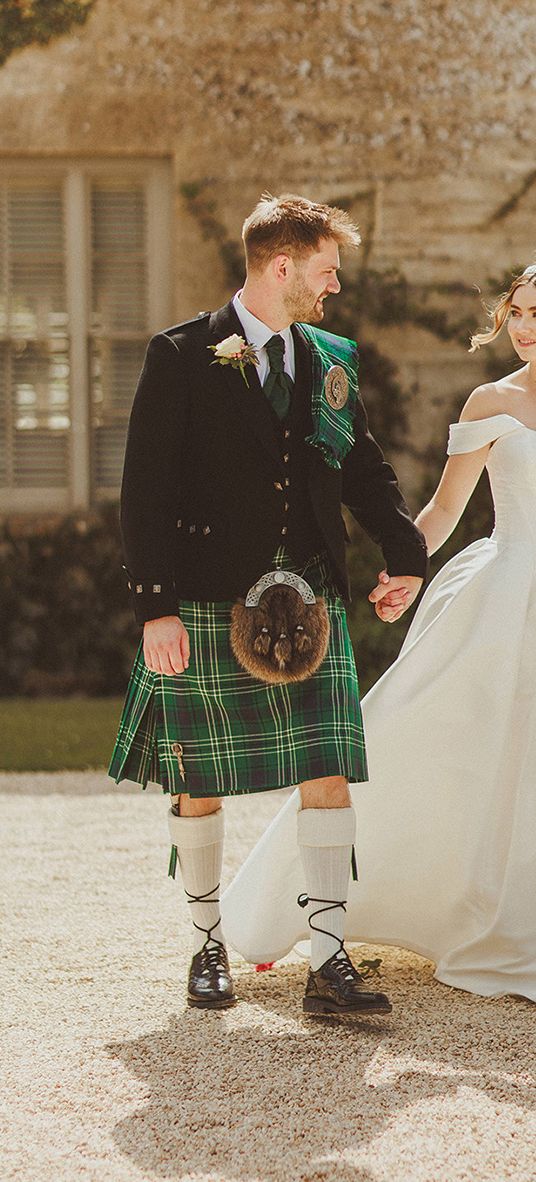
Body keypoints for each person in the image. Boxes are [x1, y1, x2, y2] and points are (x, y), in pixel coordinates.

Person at [109, 192, 427, 1015]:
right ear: (281, 267)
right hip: (211, 597)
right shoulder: (181, 354)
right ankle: (206, 946)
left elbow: (363, 467)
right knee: (200, 777)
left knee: (328, 769)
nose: (334, 288)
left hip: (310, 596)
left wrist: (408, 554)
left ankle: (328, 960)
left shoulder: (327, 356)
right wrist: (155, 607)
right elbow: (144, 491)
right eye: (326, 271)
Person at [222, 264, 536, 1004]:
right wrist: (408, 567)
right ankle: (301, 904)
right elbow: (444, 509)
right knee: (418, 741)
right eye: (518, 312)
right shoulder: (493, 401)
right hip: (508, 597)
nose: (524, 327)